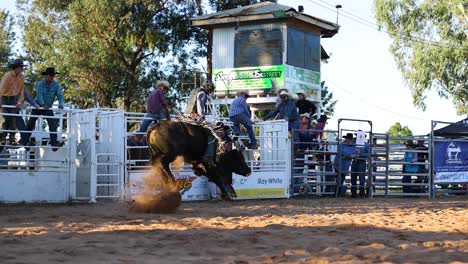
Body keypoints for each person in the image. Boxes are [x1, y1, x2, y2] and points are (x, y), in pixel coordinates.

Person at [23, 67, 64, 149]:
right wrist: (42, 105)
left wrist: (61, 103)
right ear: (46, 76)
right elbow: (39, 95)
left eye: (53, 76)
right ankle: (25, 141)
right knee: (31, 123)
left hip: (48, 108)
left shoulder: (56, 85)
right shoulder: (40, 84)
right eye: (50, 75)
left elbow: (60, 95)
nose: (52, 77)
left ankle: (54, 143)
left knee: (52, 123)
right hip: (38, 106)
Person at [0, 59, 28, 145]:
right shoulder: (7, 76)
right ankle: (2, 138)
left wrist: (20, 101)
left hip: (13, 98)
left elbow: (22, 91)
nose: (22, 69)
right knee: (4, 117)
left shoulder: (22, 77)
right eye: (21, 67)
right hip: (4, 97)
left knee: (13, 118)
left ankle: (12, 137)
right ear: (16, 67)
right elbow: (1, 89)